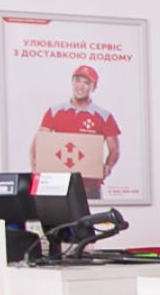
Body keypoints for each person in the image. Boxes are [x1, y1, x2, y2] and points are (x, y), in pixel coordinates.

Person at [35, 64, 122, 198]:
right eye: (77, 81)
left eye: (86, 83)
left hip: (89, 186)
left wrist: (108, 167)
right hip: (58, 183)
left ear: (94, 87)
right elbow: (40, 142)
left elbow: (114, 149)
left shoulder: (104, 116)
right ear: (72, 82)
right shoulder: (55, 111)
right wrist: (36, 170)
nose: (80, 86)